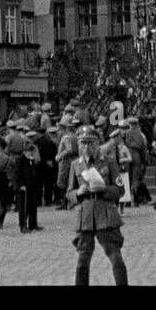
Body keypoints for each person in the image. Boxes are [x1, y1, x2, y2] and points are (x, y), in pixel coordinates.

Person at [67, 125, 128, 286]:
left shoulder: (108, 162)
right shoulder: (76, 165)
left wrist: (104, 189)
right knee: (82, 263)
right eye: (83, 143)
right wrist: (78, 192)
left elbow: (120, 190)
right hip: (85, 216)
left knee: (116, 259)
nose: (86, 147)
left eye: (90, 143)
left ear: (97, 144)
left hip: (105, 215)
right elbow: (69, 193)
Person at [55, 120, 79, 209]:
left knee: (63, 182)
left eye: (59, 130)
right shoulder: (75, 136)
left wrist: (59, 156)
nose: (58, 132)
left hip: (65, 162)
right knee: (71, 181)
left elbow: (69, 149)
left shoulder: (66, 137)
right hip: (73, 160)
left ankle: (65, 202)